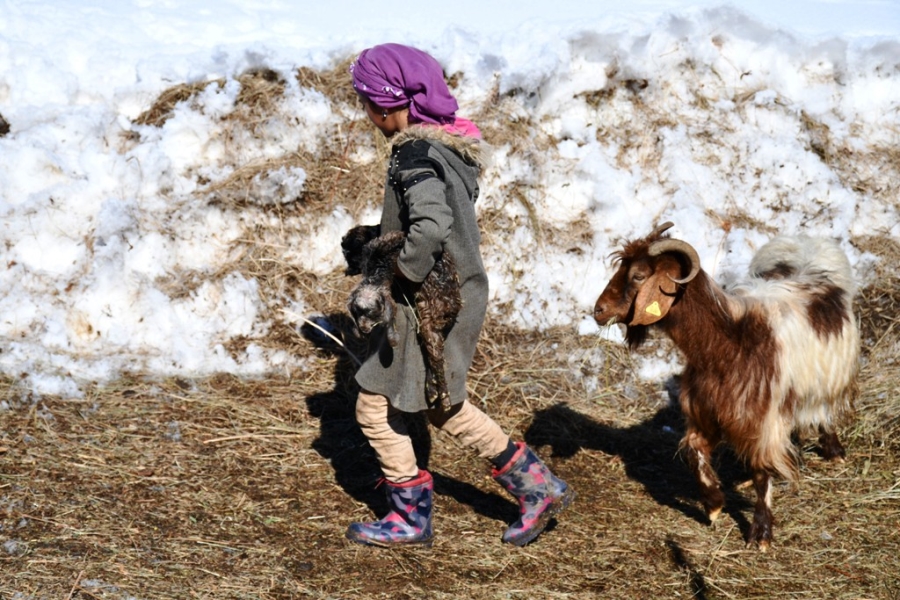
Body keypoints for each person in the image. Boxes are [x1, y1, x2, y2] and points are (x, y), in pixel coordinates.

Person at [344, 43, 574, 547]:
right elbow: (435, 220)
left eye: (367, 104)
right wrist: (378, 236)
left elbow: (429, 224)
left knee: (374, 408)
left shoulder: (411, 154)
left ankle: (409, 518)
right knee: (441, 404)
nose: (367, 114)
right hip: (459, 297)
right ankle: (538, 486)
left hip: (424, 305)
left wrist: (395, 272)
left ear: (386, 104)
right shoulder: (448, 149)